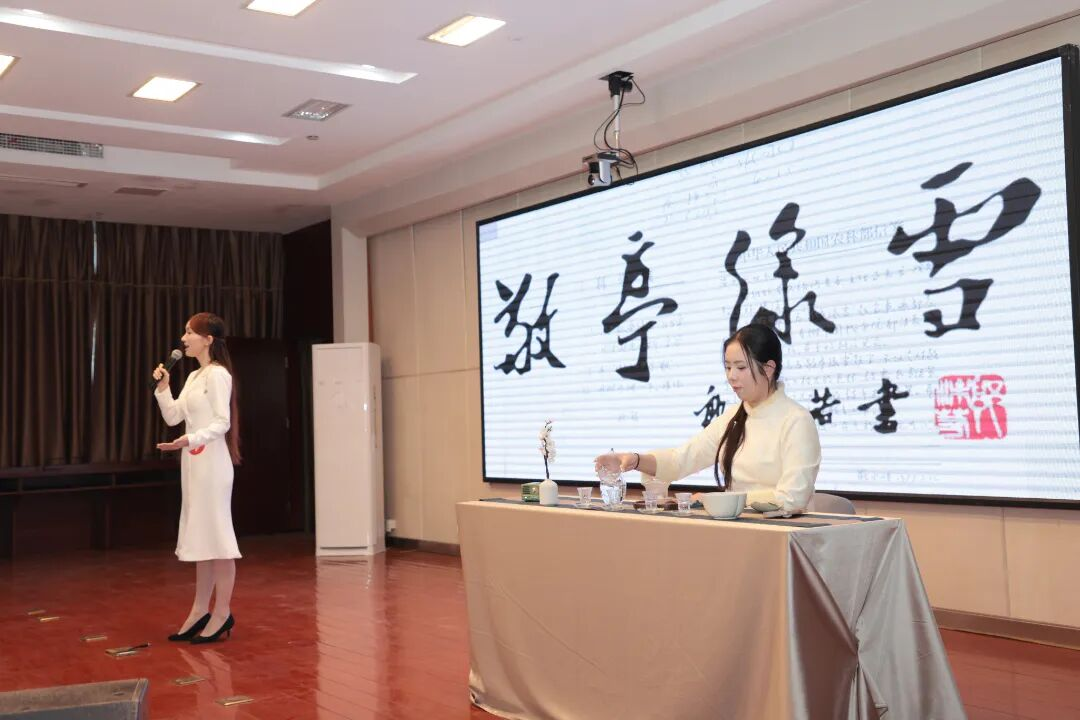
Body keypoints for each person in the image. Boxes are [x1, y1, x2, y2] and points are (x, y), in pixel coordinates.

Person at [594, 324, 820, 514]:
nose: (731, 376)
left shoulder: (796, 420)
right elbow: (681, 460)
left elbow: (793, 497)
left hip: (781, 534)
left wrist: (721, 500)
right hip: (737, 527)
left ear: (768, 369)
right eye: (728, 367)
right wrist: (634, 460)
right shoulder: (733, 417)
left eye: (741, 367)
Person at [153, 312, 241, 644]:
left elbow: (222, 422)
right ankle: (200, 609)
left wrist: (190, 439)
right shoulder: (193, 376)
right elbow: (174, 416)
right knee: (203, 540)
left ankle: (222, 612)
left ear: (208, 339)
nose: (183, 339)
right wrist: (164, 388)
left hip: (213, 466)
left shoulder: (218, 375)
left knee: (218, 539)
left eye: (189, 333)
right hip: (194, 465)